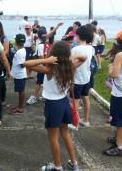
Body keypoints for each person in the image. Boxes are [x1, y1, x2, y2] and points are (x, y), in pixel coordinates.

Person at [24, 41, 82, 171]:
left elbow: (27, 63)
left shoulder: (49, 70)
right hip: (64, 103)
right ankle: (75, 164)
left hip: (53, 105)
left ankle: (57, 166)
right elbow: (83, 58)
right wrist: (69, 59)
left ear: (54, 54)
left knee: (53, 137)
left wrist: (46, 59)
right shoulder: (70, 67)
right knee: (66, 134)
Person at [27, 24, 63, 105]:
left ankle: (34, 97)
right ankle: (44, 96)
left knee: (39, 82)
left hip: (44, 66)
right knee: (44, 82)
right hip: (49, 65)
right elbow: (51, 33)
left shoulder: (40, 45)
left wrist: (44, 67)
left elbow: (42, 59)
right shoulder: (47, 42)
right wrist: (57, 26)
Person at [71, 26, 94, 128]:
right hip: (86, 78)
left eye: (76, 35)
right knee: (86, 98)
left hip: (77, 79)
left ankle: (74, 123)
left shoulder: (75, 49)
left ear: (79, 36)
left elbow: (73, 66)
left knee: (75, 101)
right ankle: (86, 120)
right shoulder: (91, 48)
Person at [9, 34, 27, 114]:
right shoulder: (22, 49)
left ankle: (20, 108)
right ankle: (20, 106)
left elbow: (22, 65)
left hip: (20, 75)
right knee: (20, 90)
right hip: (20, 74)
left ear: (16, 42)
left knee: (21, 91)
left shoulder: (19, 52)